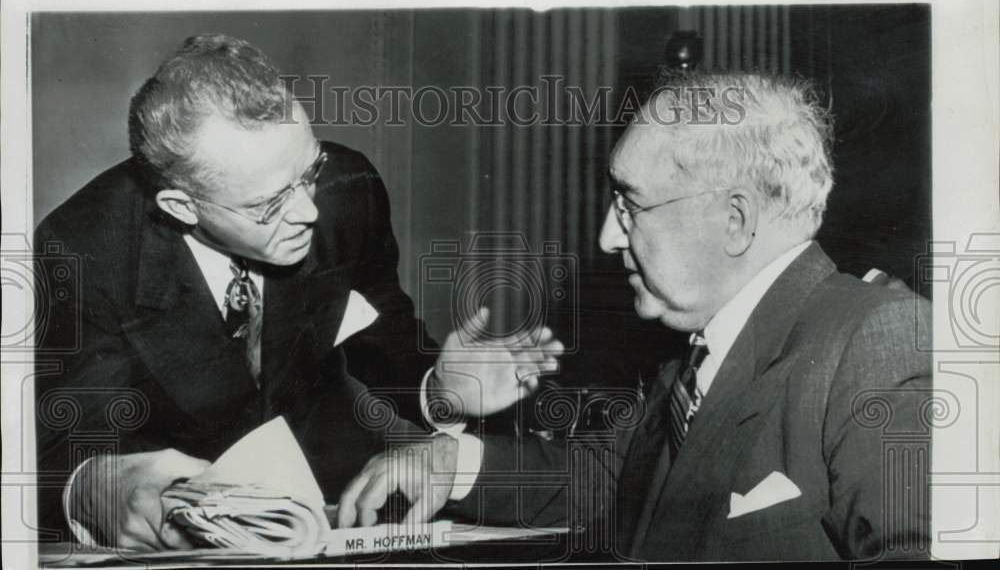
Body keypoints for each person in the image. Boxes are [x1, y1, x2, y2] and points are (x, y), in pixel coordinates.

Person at [337, 71, 933, 561]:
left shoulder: (879, 339)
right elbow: (610, 478)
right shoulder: (697, 355)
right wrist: (447, 460)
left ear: (735, 220)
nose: (604, 237)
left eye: (630, 205)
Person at [33, 33, 562, 551]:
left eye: (309, 172)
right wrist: (95, 489)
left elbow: (383, 337)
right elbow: (66, 444)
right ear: (181, 207)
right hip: (179, 536)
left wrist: (439, 390)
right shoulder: (83, 250)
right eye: (268, 204)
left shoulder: (347, 191)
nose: (308, 211)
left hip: (333, 508)